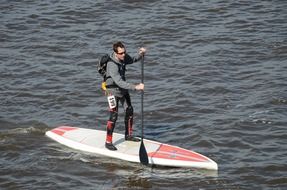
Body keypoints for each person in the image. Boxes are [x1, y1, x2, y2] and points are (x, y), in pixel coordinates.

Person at [104, 41, 146, 151]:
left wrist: (141, 55)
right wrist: (135, 87)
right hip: (112, 91)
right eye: (121, 53)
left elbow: (132, 59)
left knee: (129, 110)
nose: (124, 55)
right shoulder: (111, 65)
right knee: (114, 115)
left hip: (122, 90)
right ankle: (108, 142)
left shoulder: (123, 57)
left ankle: (128, 136)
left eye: (124, 52)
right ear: (116, 53)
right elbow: (119, 82)